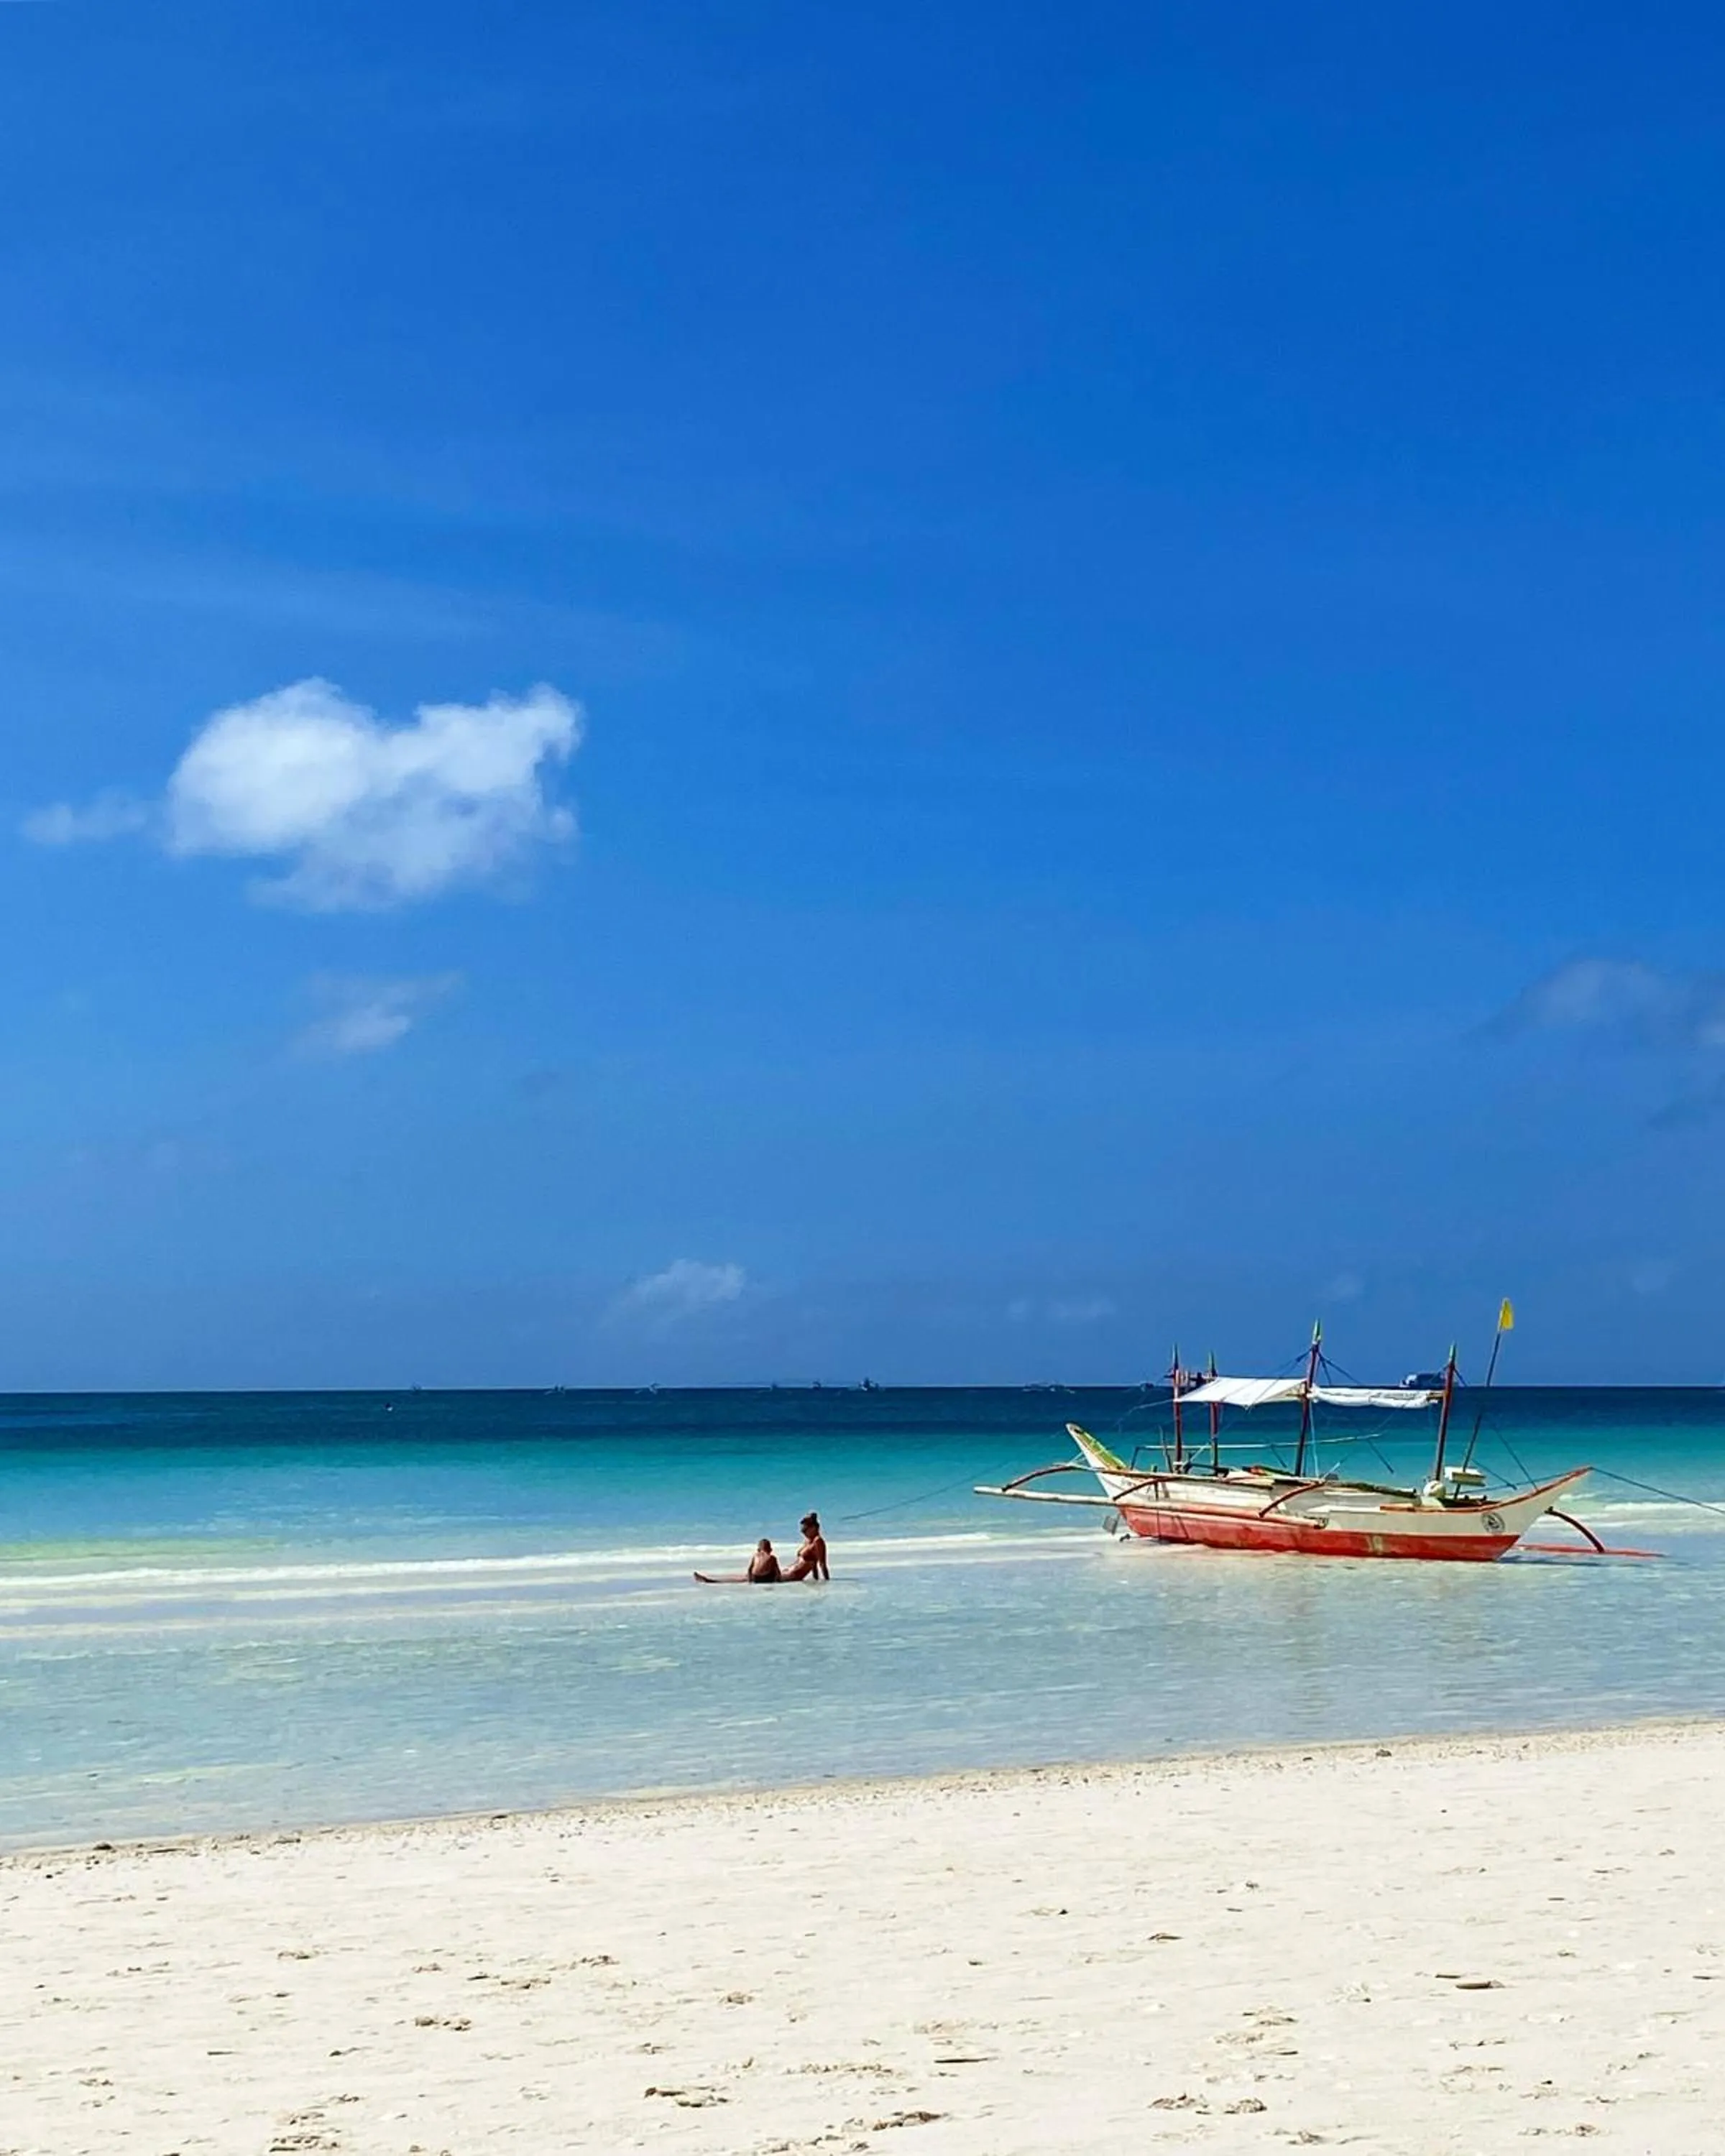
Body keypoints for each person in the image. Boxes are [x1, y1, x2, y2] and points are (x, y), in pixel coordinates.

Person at [781, 1512, 829, 1583]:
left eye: (805, 1531)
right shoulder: (808, 1541)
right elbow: (814, 1566)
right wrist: (815, 1580)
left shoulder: (818, 1541)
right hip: (788, 1572)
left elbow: (822, 1564)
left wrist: (827, 1583)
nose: (804, 1534)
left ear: (814, 1528)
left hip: (793, 1576)